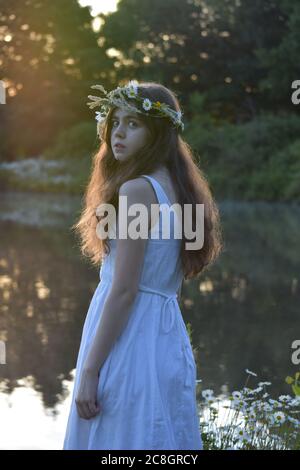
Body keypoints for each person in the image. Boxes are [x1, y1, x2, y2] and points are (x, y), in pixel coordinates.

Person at [62, 80, 223, 450]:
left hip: (130, 338)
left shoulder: (137, 191)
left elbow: (124, 289)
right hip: (165, 334)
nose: (118, 132)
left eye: (133, 124)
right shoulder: (181, 189)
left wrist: (89, 370)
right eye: (115, 121)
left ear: (158, 133)